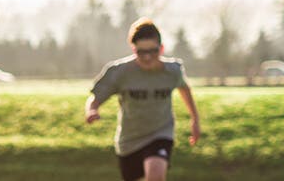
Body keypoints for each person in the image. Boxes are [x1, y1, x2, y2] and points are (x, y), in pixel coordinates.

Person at [84, 18, 202, 181]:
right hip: (129, 141)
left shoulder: (173, 71)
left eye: (152, 51)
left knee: (155, 174)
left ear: (161, 49)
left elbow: (184, 88)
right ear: (134, 50)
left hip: (161, 133)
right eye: (141, 52)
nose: (147, 57)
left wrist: (195, 119)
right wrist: (92, 109)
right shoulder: (119, 72)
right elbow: (96, 97)